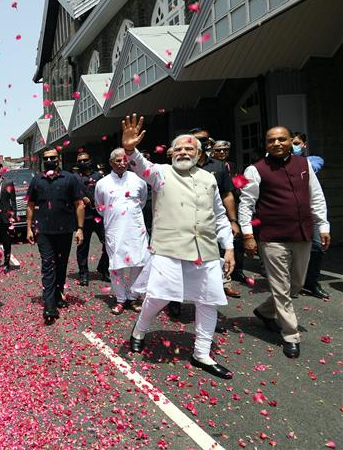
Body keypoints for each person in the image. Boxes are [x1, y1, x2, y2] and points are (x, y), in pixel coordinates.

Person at [122, 115, 235, 379]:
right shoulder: (161, 174)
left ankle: (202, 354)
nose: (184, 152)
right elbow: (142, 166)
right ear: (172, 153)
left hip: (205, 250)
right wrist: (130, 149)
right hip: (169, 250)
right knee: (159, 298)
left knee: (208, 302)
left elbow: (219, 216)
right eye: (179, 149)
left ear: (199, 153)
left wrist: (228, 247)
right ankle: (139, 330)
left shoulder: (209, 179)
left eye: (190, 149)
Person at [238, 126, 330, 358]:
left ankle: (264, 311)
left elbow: (316, 196)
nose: (277, 143)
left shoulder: (304, 165)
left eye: (282, 139)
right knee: (281, 287)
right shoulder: (255, 170)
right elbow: (246, 205)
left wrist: (324, 225)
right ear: (266, 145)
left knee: (297, 284)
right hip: (273, 237)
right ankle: (290, 334)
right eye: (271, 140)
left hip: (302, 233)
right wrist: (248, 235)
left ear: (291, 141)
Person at [26, 147, 85, 325]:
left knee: (61, 265)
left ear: (58, 159)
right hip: (44, 232)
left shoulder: (69, 178)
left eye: (53, 158)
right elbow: (30, 204)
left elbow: (79, 204)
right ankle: (49, 305)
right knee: (48, 266)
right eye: (47, 158)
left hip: (65, 231)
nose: (50, 160)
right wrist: (29, 228)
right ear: (43, 161)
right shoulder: (37, 180)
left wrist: (80, 228)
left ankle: (58, 294)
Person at [189, 128, 242, 299]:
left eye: (204, 140)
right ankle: (177, 299)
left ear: (209, 142)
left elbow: (227, 194)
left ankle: (224, 283)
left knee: (219, 254)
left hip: (213, 220)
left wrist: (233, 220)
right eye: (196, 140)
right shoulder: (182, 165)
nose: (201, 143)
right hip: (188, 223)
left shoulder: (218, 166)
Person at [94, 148, 148, 314]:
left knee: (138, 263)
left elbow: (143, 201)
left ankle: (133, 297)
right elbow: (99, 207)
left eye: (125, 160)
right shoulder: (102, 183)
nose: (122, 163)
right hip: (114, 230)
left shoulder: (138, 180)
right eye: (118, 160)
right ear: (111, 163)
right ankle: (120, 299)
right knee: (116, 266)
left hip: (135, 229)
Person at [291, 132, 328, 299]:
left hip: (310, 213)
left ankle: (311, 281)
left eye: (297, 143)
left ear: (304, 145)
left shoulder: (313, 160)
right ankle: (293, 282)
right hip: (290, 213)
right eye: (291, 143)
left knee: (317, 246)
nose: (294, 146)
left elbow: (312, 168)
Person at [74, 150, 109, 285]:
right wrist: (81, 197)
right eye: (80, 161)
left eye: (85, 160)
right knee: (82, 247)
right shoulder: (75, 177)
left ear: (90, 161)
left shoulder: (99, 177)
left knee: (108, 244)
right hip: (84, 218)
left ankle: (103, 268)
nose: (83, 163)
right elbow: (71, 194)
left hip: (100, 216)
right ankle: (83, 274)